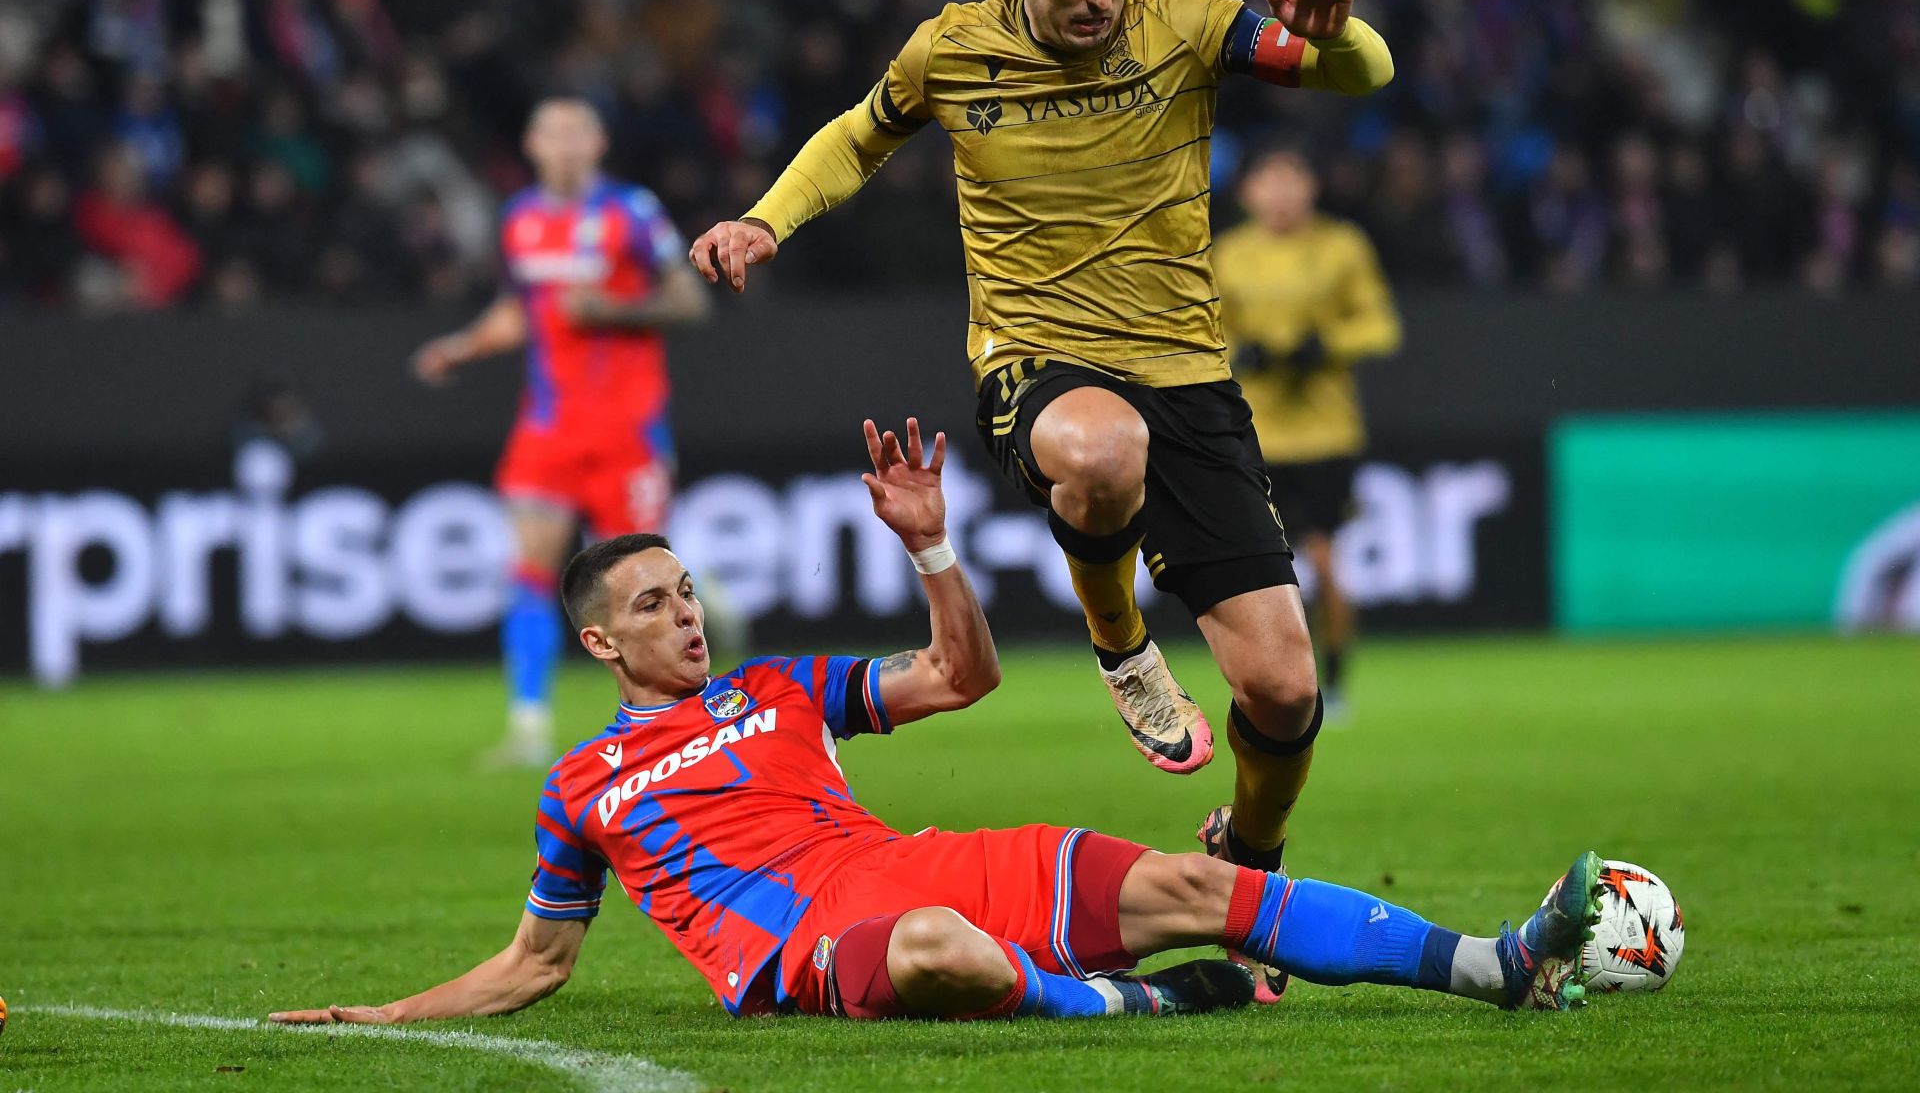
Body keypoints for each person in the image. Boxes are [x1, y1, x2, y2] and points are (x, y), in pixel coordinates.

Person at [689, 0, 1395, 1002]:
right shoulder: (953, 49)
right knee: (1102, 449)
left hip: (1188, 373)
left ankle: (1251, 869)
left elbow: (1360, 73)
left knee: (1282, 688)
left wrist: (1336, 31)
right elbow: (861, 133)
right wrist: (768, 219)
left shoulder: (1185, 21)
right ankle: (1120, 642)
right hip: (1036, 359)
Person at [268, 418, 1603, 1029]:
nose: (689, 618)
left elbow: (961, 680)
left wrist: (934, 550)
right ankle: (1124, 1003)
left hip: (911, 863)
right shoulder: (580, 785)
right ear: (602, 641)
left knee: (1198, 880)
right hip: (805, 947)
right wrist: (383, 1017)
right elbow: (536, 965)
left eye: (688, 592)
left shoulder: (777, 688)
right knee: (937, 949)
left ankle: (1496, 964)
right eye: (656, 606)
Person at [413, 97, 710, 766]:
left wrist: (607, 306)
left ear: (598, 142)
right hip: (547, 429)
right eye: (554, 132)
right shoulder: (519, 220)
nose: (566, 144)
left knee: (637, 589)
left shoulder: (630, 212)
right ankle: (527, 726)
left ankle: (666, 731)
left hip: (627, 431)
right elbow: (521, 310)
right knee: (529, 573)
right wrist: (464, 346)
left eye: (578, 132)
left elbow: (690, 301)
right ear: (533, 143)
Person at [1215, 147, 1401, 722]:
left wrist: (1327, 345)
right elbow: (1204, 332)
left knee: (1324, 561)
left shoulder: (1342, 246)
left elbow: (1379, 325)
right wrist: (1243, 355)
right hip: (1256, 433)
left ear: (1310, 187)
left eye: (1292, 178)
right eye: (1269, 180)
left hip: (1326, 435)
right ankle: (1267, 681)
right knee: (1260, 574)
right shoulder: (1230, 254)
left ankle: (1336, 679)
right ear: (1249, 193)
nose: (1281, 192)